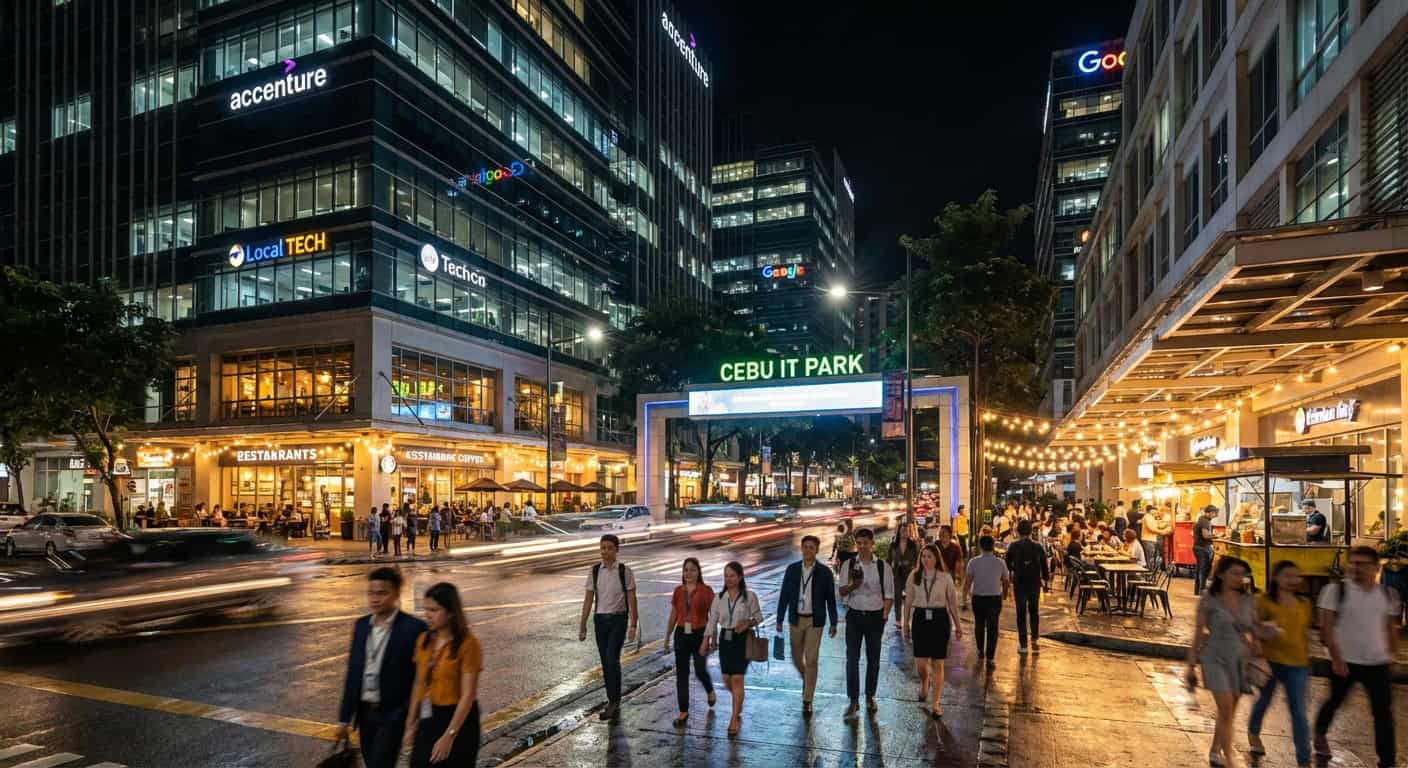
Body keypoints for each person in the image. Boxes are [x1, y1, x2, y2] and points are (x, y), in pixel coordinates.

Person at [1313, 545, 1399, 767]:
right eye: (1353, 563)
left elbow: (1390, 627)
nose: (1356, 568)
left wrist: (1393, 655)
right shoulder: (1335, 591)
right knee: (1335, 701)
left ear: (1376, 567)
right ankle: (1320, 731)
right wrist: (1336, 659)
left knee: (1383, 713)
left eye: (1362, 564)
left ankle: (1387, 760)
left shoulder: (1387, 594)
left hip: (1377, 662)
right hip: (1345, 661)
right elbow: (1326, 627)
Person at [335, 567, 428, 768]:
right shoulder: (361, 626)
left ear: (396, 594)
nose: (375, 599)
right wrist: (344, 719)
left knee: (380, 763)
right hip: (366, 715)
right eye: (371, 593)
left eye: (382, 593)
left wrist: (411, 717)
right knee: (371, 762)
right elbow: (353, 673)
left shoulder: (413, 628)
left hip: (393, 715)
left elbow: (422, 678)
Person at [1186, 556, 1257, 768]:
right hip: (1214, 657)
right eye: (1234, 573)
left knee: (1229, 711)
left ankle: (1215, 749)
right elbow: (1198, 632)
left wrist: (1258, 642)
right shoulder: (1209, 599)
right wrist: (1191, 665)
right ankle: (1229, 757)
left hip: (1239, 658)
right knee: (1226, 708)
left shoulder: (1248, 600)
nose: (1239, 578)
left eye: (1242, 574)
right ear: (1221, 575)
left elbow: (1253, 629)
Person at [404, 582, 482, 767]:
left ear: (451, 612)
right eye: (426, 609)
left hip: (458, 720)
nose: (427, 615)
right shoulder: (423, 641)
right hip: (429, 716)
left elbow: (468, 695)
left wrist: (449, 735)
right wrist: (411, 723)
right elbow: (419, 683)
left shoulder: (468, 644)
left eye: (434, 610)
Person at [1247, 561, 1312, 768]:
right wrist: (1258, 640)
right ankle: (1253, 731)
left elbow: (1304, 633)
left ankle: (1304, 760)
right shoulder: (1264, 601)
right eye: (1287, 576)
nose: (1292, 580)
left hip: (1298, 663)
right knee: (1264, 701)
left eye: (1296, 576)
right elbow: (1253, 626)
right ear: (1275, 577)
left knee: (1299, 711)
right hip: (1270, 661)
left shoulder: (1305, 603)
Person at [775, 534, 839, 718]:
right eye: (805, 547)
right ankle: (807, 678)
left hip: (814, 621)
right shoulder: (792, 570)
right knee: (796, 658)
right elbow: (784, 594)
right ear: (801, 549)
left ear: (817, 550)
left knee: (811, 660)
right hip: (795, 619)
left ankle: (808, 699)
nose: (808, 550)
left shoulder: (824, 572)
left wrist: (833, 622)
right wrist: (779, 618)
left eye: (811, 547)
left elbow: (831, 599)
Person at [578, 534, 638, 722]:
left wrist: (633, 624)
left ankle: (614, 701)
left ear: (616, 550)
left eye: (609, 548)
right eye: (602, 548)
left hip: (618, 620)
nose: (605, 551)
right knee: (605, 662)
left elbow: (632, 598)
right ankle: (612, 698)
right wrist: (583, 625)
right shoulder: (595, 571)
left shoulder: (624, 571)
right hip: (600, 621)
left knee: (612, 659)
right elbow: (588, 599)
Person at [838, 528, 892, 719]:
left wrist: (884, 616)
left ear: (872, 544)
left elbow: (889, 594)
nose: (862, 547)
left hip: (875, 617)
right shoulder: (849, 565)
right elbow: (841, 591)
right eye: (859, 543)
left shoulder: (883, 567)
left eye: (865, 543)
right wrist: (855, 584)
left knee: (873, 658)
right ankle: (853, 699)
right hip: (854, 616)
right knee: (852, 659)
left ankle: (870, 696)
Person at [704, 561, 763, 737]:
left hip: (742, 640)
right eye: (726, 576)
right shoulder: (719, 597)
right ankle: (739, 699)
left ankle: (733, 719)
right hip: (725, 639)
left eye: (732, 576)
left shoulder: (749, 596)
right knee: (727, 680)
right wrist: (708, 639)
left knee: (737, 679)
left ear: (740, 577)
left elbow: (759, 617)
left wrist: (748, 622)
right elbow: (712, 620)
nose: (728, 579)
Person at [904, 543, 961, 718]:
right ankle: (924, 682)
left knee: (938, 663)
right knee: (921, 663)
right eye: (923, 556)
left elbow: (952, 602)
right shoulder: (914, 576)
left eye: (929, 556)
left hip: (939, 619)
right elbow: (908, 601)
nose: (926, 559)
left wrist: (958, 625)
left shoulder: (945, 577)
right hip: (920, 619)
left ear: (936, 558)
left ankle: (935, 703)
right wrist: (905, 623)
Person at [664, 557, 716, 725]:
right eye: (686, 570)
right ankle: (683, 711)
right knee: (682, 674)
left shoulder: (706, 591)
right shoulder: (678, 591)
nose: (688, 573)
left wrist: (713, 638)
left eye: (692, 569)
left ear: (698, 572)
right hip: (681, 634)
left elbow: (713, 616)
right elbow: (673, 614)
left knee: (700, 670)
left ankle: (709, 690)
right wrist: (667, 636)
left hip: (700, 634)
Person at [962, 535, 1010, 669]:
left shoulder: (973, 562)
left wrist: (964, 598)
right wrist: (1004, 595)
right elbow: (1006, 581)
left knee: (979, 624)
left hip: (978, 598)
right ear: (993, 546)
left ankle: (979, 650)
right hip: (994, 598)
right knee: (993, 627)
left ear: (980, 546)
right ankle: (990, 657)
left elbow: (967, 582)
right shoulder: (1000, 563)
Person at [1005, 520, 1049, 655]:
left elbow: (1007, 561)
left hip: (1020, 582)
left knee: (1021, 613)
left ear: (1018, 531)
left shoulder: (1013, 546)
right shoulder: (1038, 546)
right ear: (1031, 532)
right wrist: (1046, 580)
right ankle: (1035, 638)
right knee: (1034, 611)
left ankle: (1023, 644)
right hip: (1034, 582)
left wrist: (1013, 569)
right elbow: (1044, 565)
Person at [889, 524, 919, 623]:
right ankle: (898, 619)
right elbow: (889, 559)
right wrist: (889, 570)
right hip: (897, 573)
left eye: (906, 531)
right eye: (902, 531)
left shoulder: (912, 545)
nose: (904, 533)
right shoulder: (893, 545)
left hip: (909, 574)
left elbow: (916, 559)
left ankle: (907, 619)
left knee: (909, 598)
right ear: (899, 532)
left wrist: (915, 569)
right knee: (897, 597)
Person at [1193, 505, 1217, 594]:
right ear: (1209, 513)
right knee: (1203, 570)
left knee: (1199, 569)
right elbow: (1205, 536)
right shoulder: (1205, 522)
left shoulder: (1201, 519)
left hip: (1197, 547)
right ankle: (1202, 591)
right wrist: (1217, 536)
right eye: (1214, 513)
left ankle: (1197, 591)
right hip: (1202, 548)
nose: (1215, 515)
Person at [1139, 504, 1165, 570]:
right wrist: (1160, 532)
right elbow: (1151, 528)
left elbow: (1156, 525)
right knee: (1151, 556)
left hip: (1151, 539)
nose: (1156, 512)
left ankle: (1152, 570)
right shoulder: (1148, 517)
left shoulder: (1151, 517)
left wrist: (1164, 524)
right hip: (1148, 539)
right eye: (1155, 510)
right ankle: (1150, 570)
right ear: (1151, 510)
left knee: (1153, 556)